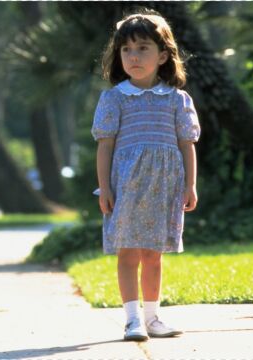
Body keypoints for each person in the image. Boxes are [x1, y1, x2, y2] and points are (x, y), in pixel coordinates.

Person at [92, 11, 200, 342]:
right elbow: (105, 147)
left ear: (164, 55)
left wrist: (191, 185)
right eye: (126, 50)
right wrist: (105, 188)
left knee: (154, 255)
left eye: (142, 48)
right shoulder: (114, 98)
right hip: (126, 188)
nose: (134, 56)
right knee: (128, 253)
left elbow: (187, 145)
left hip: (164, 187)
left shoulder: (177, 99)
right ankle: (131, 320)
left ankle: (153, 318)